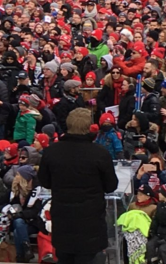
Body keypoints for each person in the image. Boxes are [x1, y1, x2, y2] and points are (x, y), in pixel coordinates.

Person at [37, 108, 119, 264]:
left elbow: (45, 182)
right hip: (90, 222)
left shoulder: (52, 152)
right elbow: (110, 186)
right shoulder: (99, 153)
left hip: (63, 220)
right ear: (89, 126)